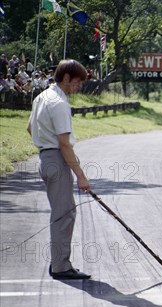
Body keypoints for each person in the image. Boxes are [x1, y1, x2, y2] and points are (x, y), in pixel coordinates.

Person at [27, 59, 92, 280]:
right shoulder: (60, 103)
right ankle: (61, 266)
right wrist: (81, 176)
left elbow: (29, 127)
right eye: (77, 82)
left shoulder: (41, 97)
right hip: (56, 158)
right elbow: (64, 143)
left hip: (45, 158)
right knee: (64, 214)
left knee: (60, 213)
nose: (79, 87)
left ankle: (57, 262)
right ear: (66, 78)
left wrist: (44, 145)